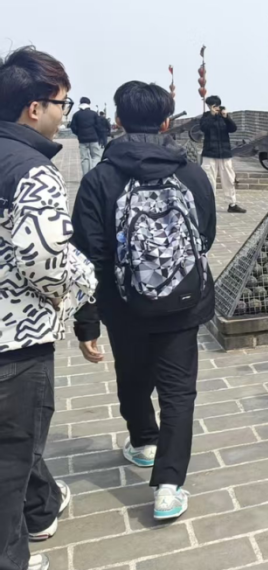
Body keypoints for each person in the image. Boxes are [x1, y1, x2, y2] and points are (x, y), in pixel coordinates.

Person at [72, 81, 217, 522]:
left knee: (133, 376)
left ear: (117, 121)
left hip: (124, 305)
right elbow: (205, 236)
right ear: (166, 122)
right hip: (183, 302)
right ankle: (168, 488)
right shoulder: (191, 174)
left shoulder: (99, 178)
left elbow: (87, 256)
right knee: (179, 391)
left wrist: (87, 322)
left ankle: (143, 442)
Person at [0, 46, 79, 570]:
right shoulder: (33, 170)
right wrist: (71, 290)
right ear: (36, 107)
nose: (62, 114)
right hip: (16, 336)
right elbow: (46, 260)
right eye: (61, 104)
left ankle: (42, 505)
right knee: (12, 454)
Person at [199, 95, 246, 214]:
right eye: (211, 106)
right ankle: (209, 205)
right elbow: (204, 128)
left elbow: (233, 128)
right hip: (209, 153)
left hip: (224, 153)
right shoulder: (206, 117)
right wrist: (212, 115)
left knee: (229, 179)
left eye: (216, 106)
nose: (214, 108)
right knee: (209, 180)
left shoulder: (223, 116)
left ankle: (232, 204)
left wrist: (226, 117)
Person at [69, 97, 105, 174]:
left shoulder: (76, 115)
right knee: (96, 156)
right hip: (94, 139)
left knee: (84, 159)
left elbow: (73, 127)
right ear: (89, 104)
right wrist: (100, 137)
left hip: (82, 139)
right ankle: (94, 173)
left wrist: (79, 133)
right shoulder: (94, 114)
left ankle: (86, 175)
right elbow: (99, 127)